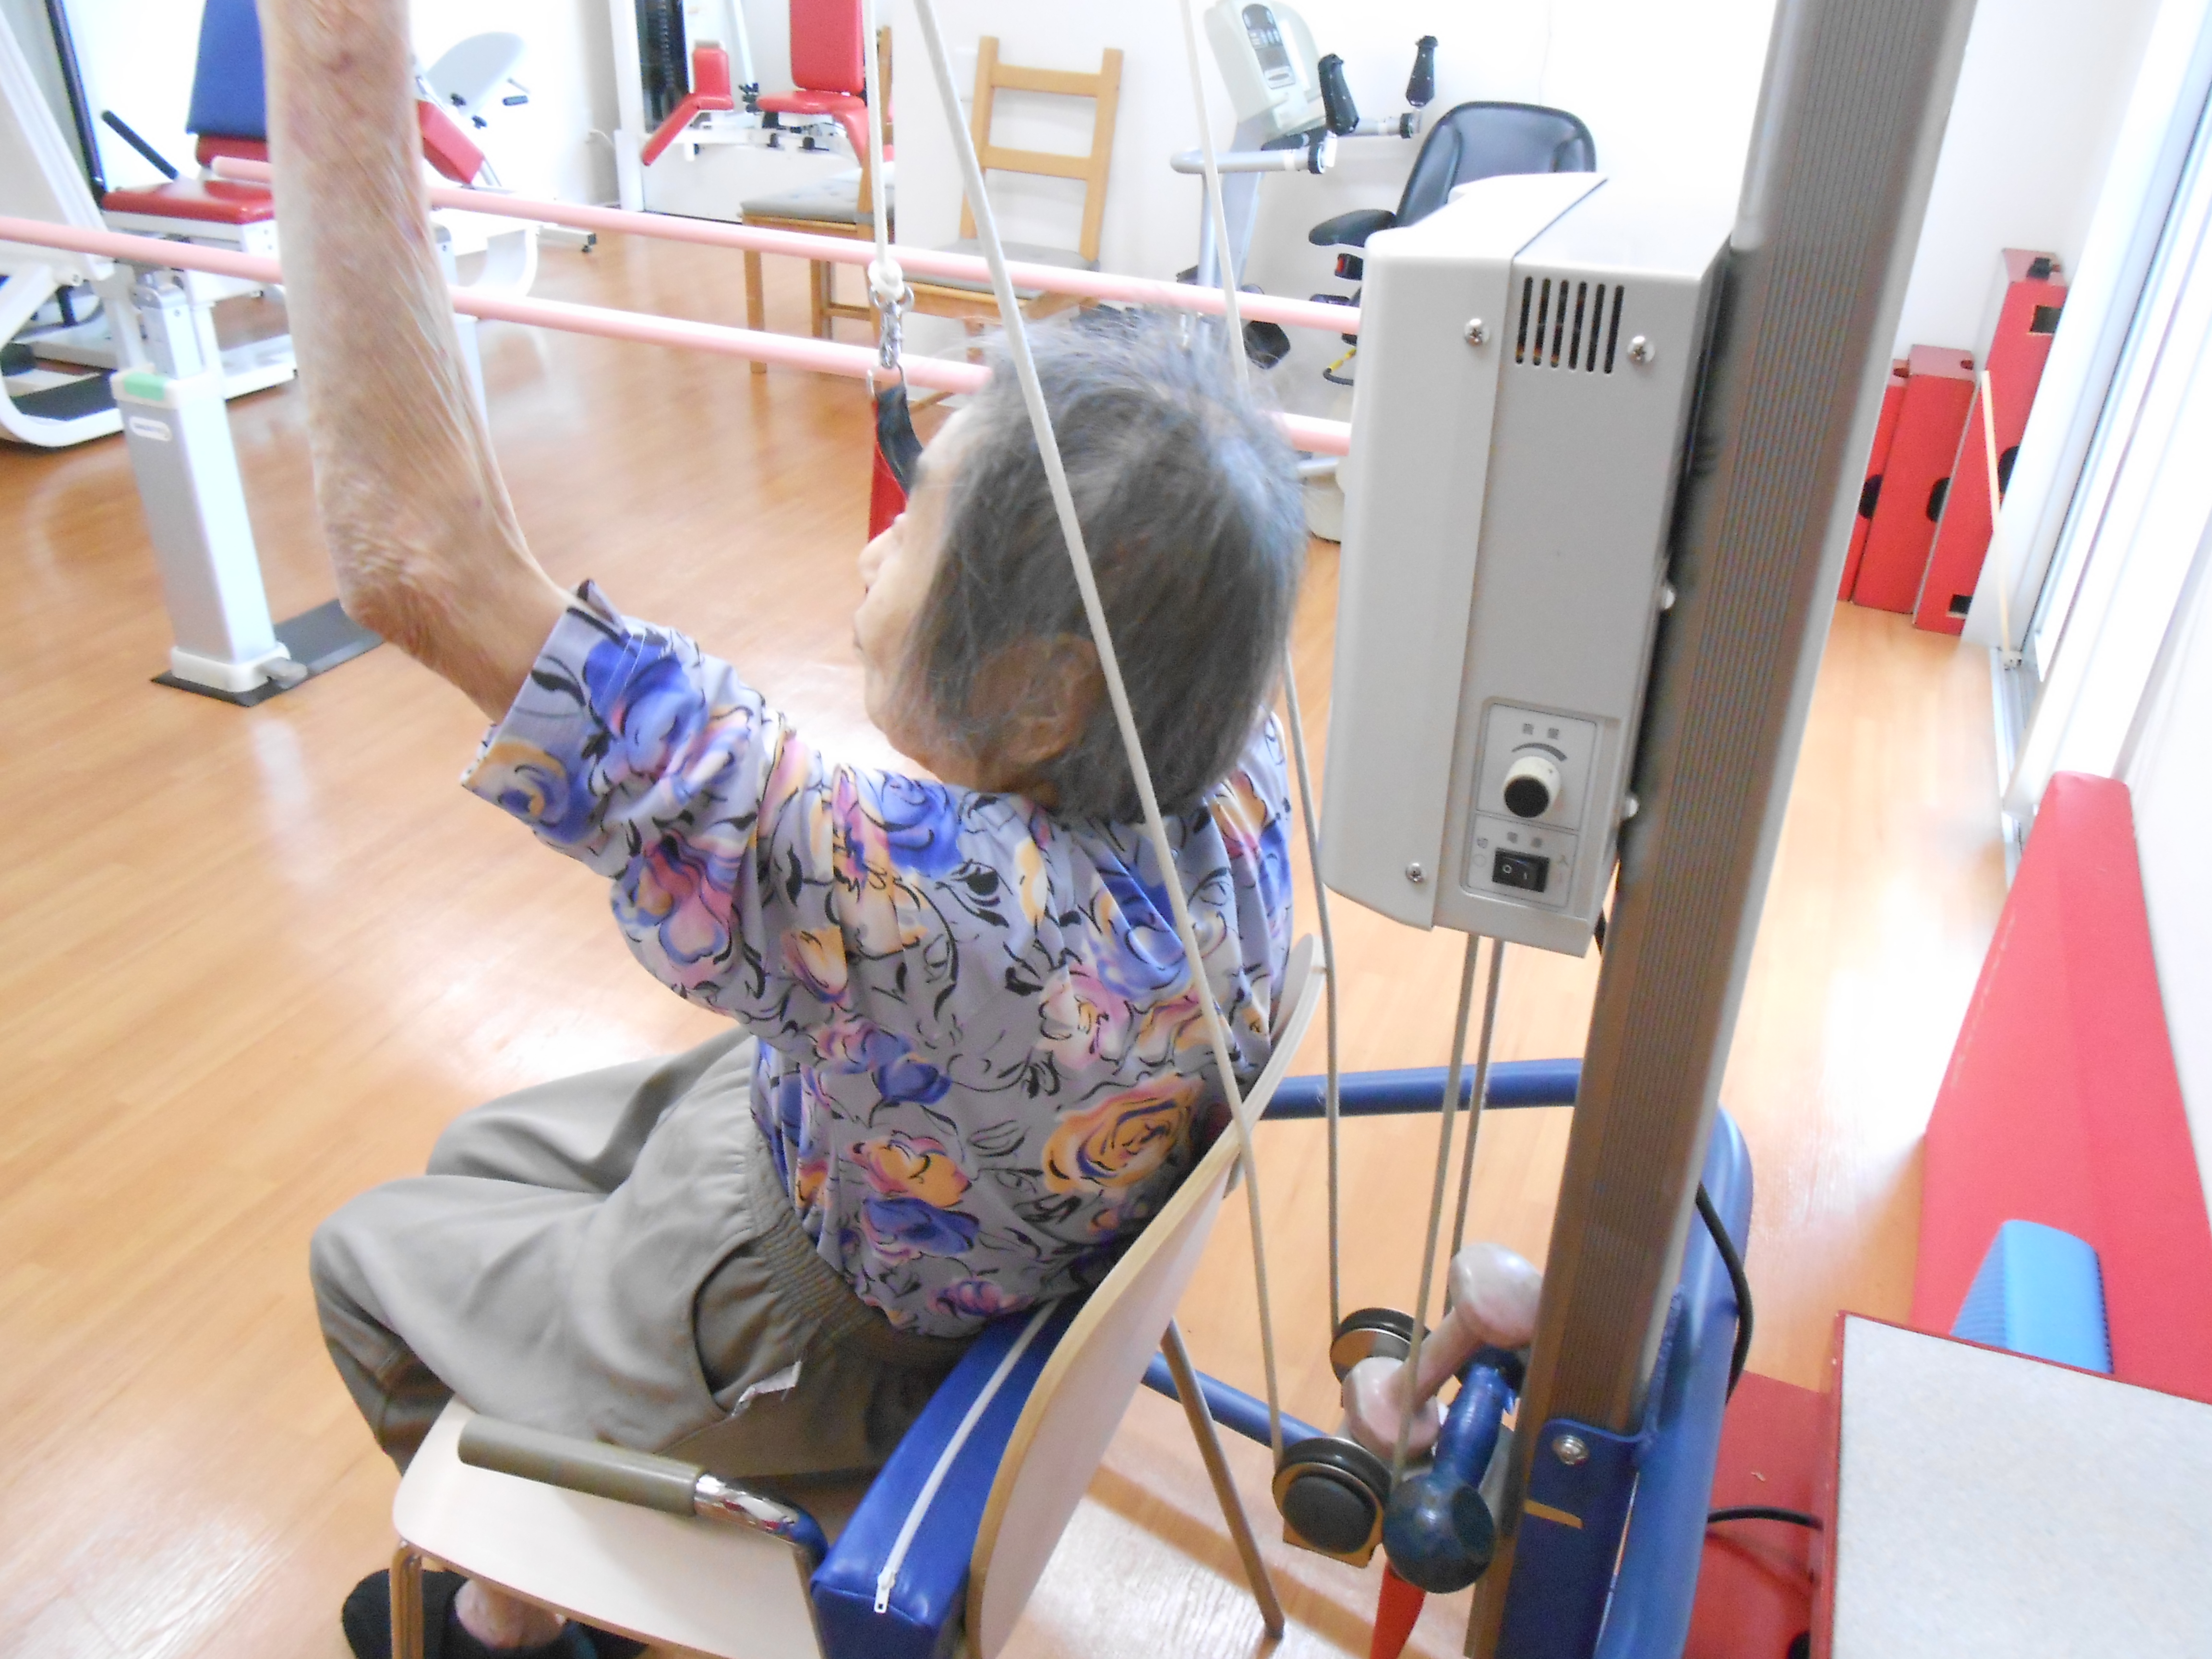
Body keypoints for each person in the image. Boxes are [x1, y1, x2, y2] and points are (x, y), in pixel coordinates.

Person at [265, 4, 1307, 1656]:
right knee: (486, 1162)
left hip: (819, 1325)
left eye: (918, 516)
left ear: (1047, 693)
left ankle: (524, 1610)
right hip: (872, 1155)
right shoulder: (1236, 760)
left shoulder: (919, 911)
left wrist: (332, 49)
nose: (875, 546)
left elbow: (417, 558)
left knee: (364, 1260)